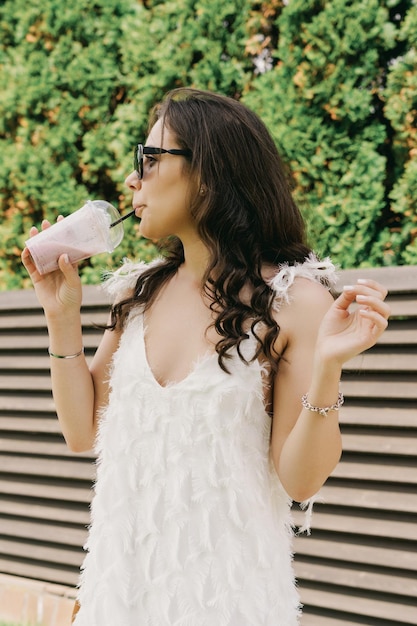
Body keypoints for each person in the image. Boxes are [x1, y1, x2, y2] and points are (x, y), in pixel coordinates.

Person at [22, 88, 390, 626]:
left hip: (231, 605)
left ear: (210, 171)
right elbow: (81, 432)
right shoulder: (137, 295)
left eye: (149, 159)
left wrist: (328, 368)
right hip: (118, 599)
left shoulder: (295, 301)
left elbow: (301, 481)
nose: (133, 180)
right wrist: (59, 314)